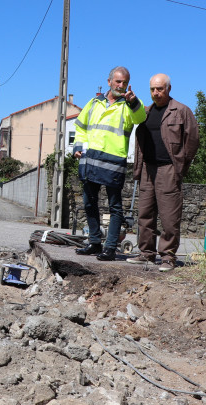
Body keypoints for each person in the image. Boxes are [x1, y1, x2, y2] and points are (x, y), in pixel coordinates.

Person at [72, 66, 147, 261]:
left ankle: (110, 247)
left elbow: (141, 118)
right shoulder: (95, 102)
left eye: (124, 83)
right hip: (90, 160)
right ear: (109, 82)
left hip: (113, 163)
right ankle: (95, 242)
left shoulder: (129, 105)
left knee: (115, 207)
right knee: (89, 203)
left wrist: (133, 101)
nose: (121, 86)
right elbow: (80, 126)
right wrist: (78, 146)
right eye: (117, 82)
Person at [129, 73, 199, 271]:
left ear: (168, 88)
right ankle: (146, 253)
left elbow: (192, 141)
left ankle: (168, 256)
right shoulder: (146, 112)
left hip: (169, 168)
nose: (156, 93)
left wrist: (180, 167)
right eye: (152, 89)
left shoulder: (182, 111)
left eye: (159, 89)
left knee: (169, 216)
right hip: (147, 169)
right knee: (145, 214)